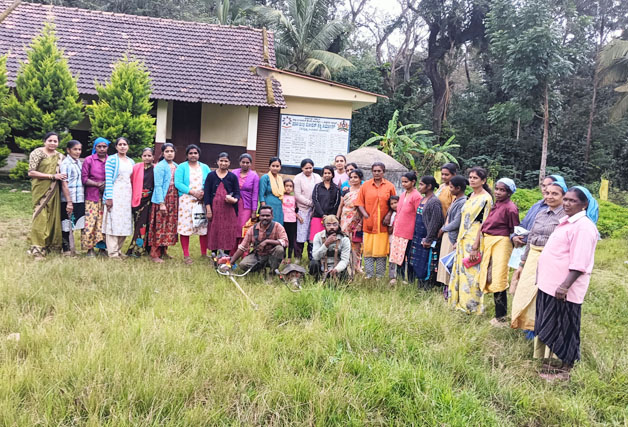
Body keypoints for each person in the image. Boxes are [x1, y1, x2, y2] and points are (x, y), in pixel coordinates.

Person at [534, 186, 599, 381]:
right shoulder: (567, 222)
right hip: (550, 285)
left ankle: (566, 370)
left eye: (573, 201)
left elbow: (580, 262)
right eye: (566, 199)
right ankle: (555, 363)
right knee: (552, 325)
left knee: (566, 327)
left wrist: (564, 286)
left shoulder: (584, 227)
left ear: (584, 205)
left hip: (564, 288)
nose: (567, 204)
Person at [510, 180, 566, 332]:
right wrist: (522, 263)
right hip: (532, 258)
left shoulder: (565, 217)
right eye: (547, 193)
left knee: (542, 294)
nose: (549, 196)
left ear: (564, 196)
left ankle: (542, 329)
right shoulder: (541, 213)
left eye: (555, 194)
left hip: (551, 259)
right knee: (525, 291)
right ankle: (528, 327)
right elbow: (531, 238)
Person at [474, 178, 520, 325]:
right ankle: (498, 314)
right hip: (490, 242)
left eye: (502, 190)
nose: (498, 192)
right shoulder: (497, 204)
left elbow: (514, 231)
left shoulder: (510, 208)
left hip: (501, 243)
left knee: (499, 278)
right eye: (497, 189)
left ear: (509, 193)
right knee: (490, 276)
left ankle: (501, 316)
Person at [448, 167, 493, 314]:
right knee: (460, 271)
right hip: (463, 238)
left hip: (474, 240)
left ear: (483, 181)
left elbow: (483, 224)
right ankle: (459, 303)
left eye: (475, 178)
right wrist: (458, 240)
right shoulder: (470, 195)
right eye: (471, 177)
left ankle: (471, 307)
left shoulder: (486, 199)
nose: (472, 180)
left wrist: (475, 246)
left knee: (471, 274)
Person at [27, 132, 66, 259]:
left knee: (53, 216)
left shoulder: (60, 157)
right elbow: (31, 172)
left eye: (55, 141)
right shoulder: (37, 153)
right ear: (45, 141)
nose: (53, 143)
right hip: (40, 189)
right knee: (40, 216)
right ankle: (37, 248)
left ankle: (51, 246)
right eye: (50, 140)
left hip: (54, 190)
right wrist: (52, 176)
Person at [355, 162, 397, 279]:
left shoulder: (390, 186)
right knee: (368, 250)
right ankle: (369, 274)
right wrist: (365, 215)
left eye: (379, 171)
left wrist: (389, 215)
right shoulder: (365, 186)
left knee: (381, 250)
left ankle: (380, 275)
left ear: (384, 172)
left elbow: (394, 203)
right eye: (374, 171)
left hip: (383, 225)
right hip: (369, 224)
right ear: (371, 171)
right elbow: (359, 203)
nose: (377, 173)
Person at [176, 144, 211, 264]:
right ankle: (186, 255)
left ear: (199, 154)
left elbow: (209, 182)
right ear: (187, 155)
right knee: (186, 227)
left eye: (195, 153)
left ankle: (204, 253)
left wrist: (203, 193)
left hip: (201, 200)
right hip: (186, 200)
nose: (193, 155)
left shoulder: (205, 167)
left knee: (203, 225)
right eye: (190, 153)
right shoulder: (182, 167)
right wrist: (192, 192)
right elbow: (178, 183)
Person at [512, 174, 567, 249]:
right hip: (526, 247)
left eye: (549, 185)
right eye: (543, 186)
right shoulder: (537, 205)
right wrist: (515, 236)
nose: (545, 189)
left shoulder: (565, 214)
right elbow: (524, 224)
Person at [101, 137, 135, 258]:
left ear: (128, 146)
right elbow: (108, 180)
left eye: (124, 144)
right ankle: (113, 252)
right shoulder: (111, 160)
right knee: (113, 222)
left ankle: (119, 250)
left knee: (124, 222)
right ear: (116, 147)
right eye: (120, 144)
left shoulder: (131, 162)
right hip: (115, 193)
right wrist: (109, 198)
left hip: (127, 195)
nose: (122, 146)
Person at [229, 205, 288, 273]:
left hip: (272, 255)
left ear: (272, 216)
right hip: (258, 255)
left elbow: (285, 242)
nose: (265, 217)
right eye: (262, 215)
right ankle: (260, 269)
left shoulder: (278, 226)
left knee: (279, 249)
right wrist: (230, 263)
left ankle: (272, 272)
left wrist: (267, 241)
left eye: (267, 215)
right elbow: (242, 247)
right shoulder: (252, 229)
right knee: (243, 265)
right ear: (259, 216)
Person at [204, 152, 241, 257]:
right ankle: (214, 254)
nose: (223, 163)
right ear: (217, 162)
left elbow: (237, 193)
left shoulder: (232, 177)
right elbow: (207, 194)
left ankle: (226, 254)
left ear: (229, 163)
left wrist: (234, 200)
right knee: (214, 229)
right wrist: (208, 210)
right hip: (215, 209)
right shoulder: (211, 176)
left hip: (229, 209)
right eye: (221, 161)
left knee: (228, 230)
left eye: (226, 161)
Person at [410, 176, 444, 288]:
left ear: (429, 186)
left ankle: (427, 286)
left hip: (427, 237)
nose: (419, 187)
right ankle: (419, 285)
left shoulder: (434, 202)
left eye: (421, 184)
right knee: (419, 261)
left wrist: (429, 239)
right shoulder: (423, 199)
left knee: (427, 262)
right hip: (418, 236)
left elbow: (435, 222)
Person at [148, 143, 178, 263]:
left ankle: (164, 250)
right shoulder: (160, 166)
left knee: (169, 225)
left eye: (171, 151)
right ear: (163, 153)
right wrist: (161, 203)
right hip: (162, 198)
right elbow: (158, 185)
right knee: (159, 225)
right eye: (167, 151)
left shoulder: (176, 166)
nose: (169, 153)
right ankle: (154, 253)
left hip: (173, 198)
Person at [389, 172, 421, 284]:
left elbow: (419, 214)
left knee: (409, 257)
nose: (403, 184)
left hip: (410, 233)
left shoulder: (416, 196)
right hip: (399, 231)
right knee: (399, 257)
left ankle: (411, 281)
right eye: (402, 182)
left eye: (406, 182)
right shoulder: (403, 194)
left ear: (413, 182)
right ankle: (400, 278)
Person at [437, 175, 468, 290]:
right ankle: (445, 287)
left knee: (449, 262)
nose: (449, 189)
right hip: (447, 233)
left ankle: (449, 288)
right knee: (444, 261)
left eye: (451, 187)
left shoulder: (462, 202)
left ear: (458, 188)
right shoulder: (456, 200)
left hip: (452, 235)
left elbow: (457, 222)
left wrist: (443, 229)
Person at [81, 137, 109, 257]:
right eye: (99, 146)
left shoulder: (111, 160)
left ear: (107, 148)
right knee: (90, 222)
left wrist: (106, 184)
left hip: (107, 196)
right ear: (95, 147)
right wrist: (98, 184)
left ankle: (102, 248)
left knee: (104, 223)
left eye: (104, 146)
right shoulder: (89, 160)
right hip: (91, 196)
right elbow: (84, 178)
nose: (102, 149)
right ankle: (90, 249)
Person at [126, 147, 155, 257]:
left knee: (148, 225)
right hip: (138, 200)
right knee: (139, 225)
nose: (147, 158)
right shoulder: (136, 167)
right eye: (145, 155)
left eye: (149, 155)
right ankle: (136, 249)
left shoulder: (155, 168)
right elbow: (130, 182)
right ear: (141, 156)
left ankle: (147, 248)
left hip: (150, 201)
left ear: (153, 157)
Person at [60, 140, 85, 256]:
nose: (78, 152)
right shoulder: (66, 163)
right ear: (68, 150)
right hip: (69, 199)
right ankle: (66, 250)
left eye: (79, 149)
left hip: (79, 198)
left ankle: (72, 248)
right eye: (75, 149)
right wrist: (69, 202)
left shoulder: (78, 162)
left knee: (74, 224)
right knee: (66, 224)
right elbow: (64, 184)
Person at [293, 158, 322, 260]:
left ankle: (311, 256)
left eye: (310, 168)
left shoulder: (317, 177)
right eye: (306, 168)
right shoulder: (298, 178)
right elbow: (297, 195)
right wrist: (310, 203)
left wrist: (315, 205)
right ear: (302, 168)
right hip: (302, 209)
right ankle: (298, 257)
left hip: (315, 210)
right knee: (300, 234)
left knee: (312, 233)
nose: (309, 170)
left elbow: (319, 191)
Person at [337, 169, 364, 275]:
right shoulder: (346, 190)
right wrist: (337, 218)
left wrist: (361, 223)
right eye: (351, 177)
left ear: (360, 179)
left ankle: (356, 267)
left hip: (356, 220)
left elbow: (364, 208)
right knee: (344, 242)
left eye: (355, 177)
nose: (353, 179)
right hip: (344, 220)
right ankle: (345, 265)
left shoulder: (363, 191)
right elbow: (341, 205)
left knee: (356, 244)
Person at [310, 215, 351, 281]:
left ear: (338, 225)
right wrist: (326, 244)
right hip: (322, 266)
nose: (332, 227)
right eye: (328, 225)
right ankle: (317, 280)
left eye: (335, 224)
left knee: (344, 272)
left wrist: (336, 269)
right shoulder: (318, 236)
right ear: (324, 226)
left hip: (338, 267)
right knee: (313, 263)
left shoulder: (344, 239)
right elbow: (315, 256)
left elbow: (345, 260)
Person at [310, 165, 341, 243]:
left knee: (329, 238)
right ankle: (313, 251)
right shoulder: (317, 187)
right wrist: (322, 214)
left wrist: (329, 216)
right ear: (322, 175)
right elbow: (315, 200)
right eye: (325, 173)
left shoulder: (336, 188)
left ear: (332, 175)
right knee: (315, 238)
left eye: (329, 173)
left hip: (331, 218)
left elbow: (336, 203)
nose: (327, 175)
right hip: (318, 216)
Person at [232, 153, 259, 233]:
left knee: (243, 226)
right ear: (239, 162)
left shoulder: (254, 176)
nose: (245, 164)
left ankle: (242, 241)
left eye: (247, 163)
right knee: (233, 225)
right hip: (233, 204)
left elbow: (255, 195)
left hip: (246, 205)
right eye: (243, 162)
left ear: (250, 164)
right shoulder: (234, 173)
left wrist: (254, 211)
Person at [259, 157, 284, 225]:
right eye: (273, 166)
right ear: (269, 166)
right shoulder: (265, 177)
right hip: (268, 205)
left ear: (280, 167)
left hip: (278, 207)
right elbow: (261, 194)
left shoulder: (280, 178)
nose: (275, 168)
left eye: (277, 166)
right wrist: (264, 208)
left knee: (278, 225)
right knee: (268, 225)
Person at [282, 179, 302, 263]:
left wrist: (298, 217)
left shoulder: (294, 198)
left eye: (290, 186)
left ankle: (289, 258)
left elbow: (294, 210)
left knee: (291, 239)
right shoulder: (281, 197)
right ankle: (283, 257)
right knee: (283, 239)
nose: (288, 188)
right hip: (283, 221)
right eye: (286, 186)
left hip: (292, 221)